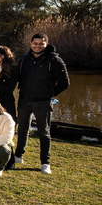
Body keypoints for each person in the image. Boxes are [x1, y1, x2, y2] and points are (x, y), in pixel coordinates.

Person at [13, 33, 69, 174]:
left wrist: (50, 93)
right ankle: (18, 155)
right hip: (24, 100)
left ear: (46, 44)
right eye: (35, 43)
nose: (37, 46)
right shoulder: (25, 59)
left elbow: (64, 83)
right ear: (30, 43)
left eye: (41, 43)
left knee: (44, 132)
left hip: (43, 102)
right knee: (22, 129)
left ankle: (45, 162)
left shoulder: (54, 60)